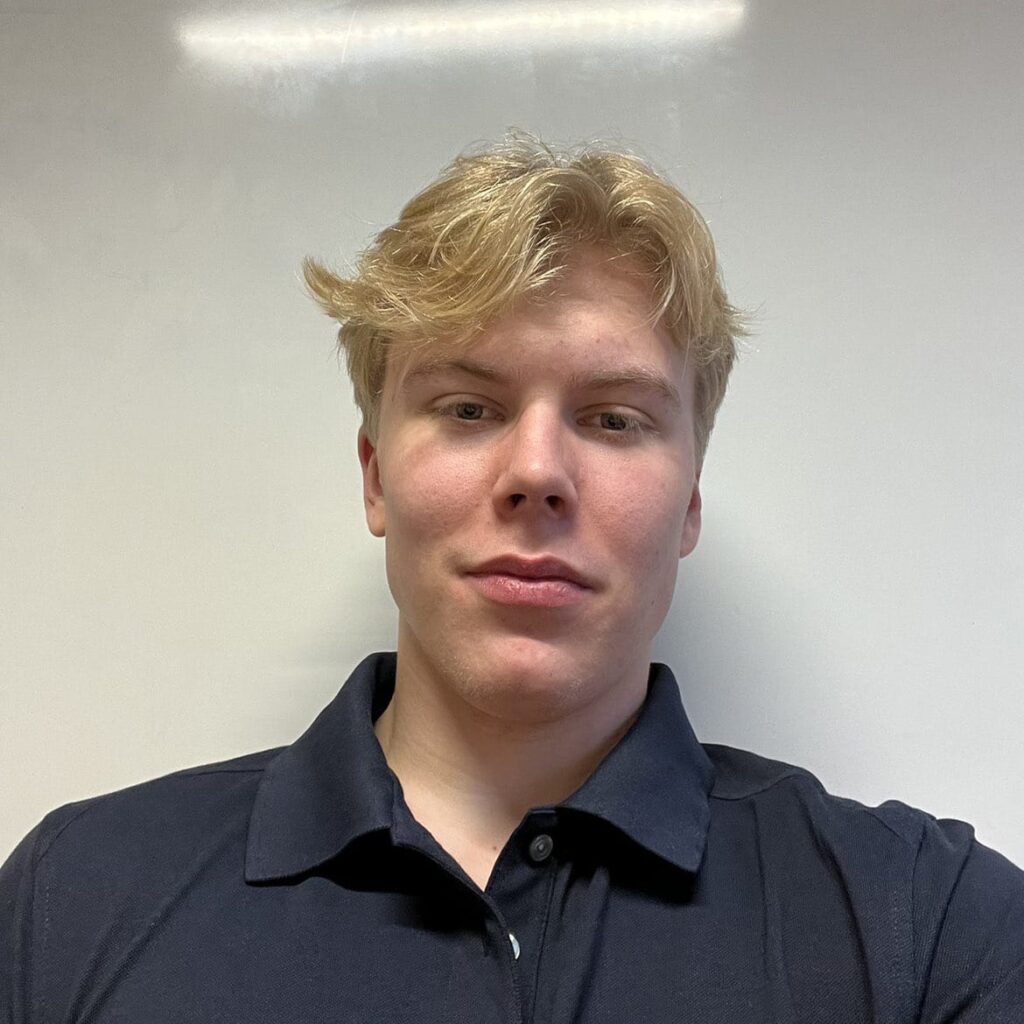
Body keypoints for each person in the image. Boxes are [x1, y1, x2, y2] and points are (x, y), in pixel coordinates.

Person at [2, 135, 1022, 1023]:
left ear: (689, 502)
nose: (537, 472)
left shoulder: (930, 929)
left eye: (613, 418)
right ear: (376, 477)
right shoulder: (72, 899)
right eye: (468, 409)